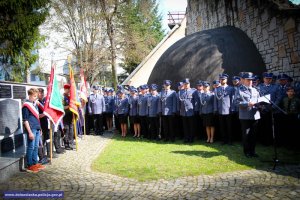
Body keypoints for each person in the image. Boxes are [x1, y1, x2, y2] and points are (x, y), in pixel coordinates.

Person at [235, 72, 260, 158]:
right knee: (246, 135)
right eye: (248, 80)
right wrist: (247, 104)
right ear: (243, 80)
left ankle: (253, 151)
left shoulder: (255, 89)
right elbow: (236, 102)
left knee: (254, 135)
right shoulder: (239, 90)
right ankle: (247, 152)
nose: (250, 82)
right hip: (245, 116)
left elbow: (258, 100)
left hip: (255, 115)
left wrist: (261, 104)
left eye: (251, 80)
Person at [22, 88, 46, 173]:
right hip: (31, 128)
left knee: (36, 147)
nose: (36, 98)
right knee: (31, 147)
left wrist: (44, 115)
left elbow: (37, 116)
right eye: (34, 96)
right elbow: (25, 120)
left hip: (37, 128)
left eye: (36, 96)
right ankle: (30, 165)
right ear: (30, 95)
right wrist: (29, 132)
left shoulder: (34, 104)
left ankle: (35, 163)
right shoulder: (26, 106)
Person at [256, 72, 279, 145]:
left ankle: (270, 141)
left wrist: (273, 106)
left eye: (270, 79)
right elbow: (257, 97)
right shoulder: (259, 86)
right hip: (262, 109)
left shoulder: (275, 86)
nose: (268, 80)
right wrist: (260, 106)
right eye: (267, 78)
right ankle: (262, 141)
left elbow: (278, 97)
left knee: (271, 126)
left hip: (272, 109)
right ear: (263, 79)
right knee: (262, 125)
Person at [214, 73, 234, 145]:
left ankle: (230, 140)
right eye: (221, 79)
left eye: (224, 79)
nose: (222, 80)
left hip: (228, 110)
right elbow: (215, 100)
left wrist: (232, 108)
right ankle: (223, 140)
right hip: (220, 110)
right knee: (222, 126)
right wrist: (215, 109)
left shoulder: (231, 88)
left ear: (226, 80)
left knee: (229, 126)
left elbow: (232, 99)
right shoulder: (217, 89)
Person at [178, 78, 196, 143]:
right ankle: (186, 138)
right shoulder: (180, 92)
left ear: (189, 84)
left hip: (190, 111)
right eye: (185, 84)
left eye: (187, 84)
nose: (186, 85)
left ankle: (191, 138)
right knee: (185, 126)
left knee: (191, 126)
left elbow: (195, 102)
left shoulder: (193, 91)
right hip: (183, 111)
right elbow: (179, 102)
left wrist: (195, 110)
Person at [62, 83, 74, 150]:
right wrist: (69, 106)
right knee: (67, 130)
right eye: (68, 89)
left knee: (71, 130)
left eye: (69, 89)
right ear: (65, 89)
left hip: (70, 115)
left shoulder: (70, 97)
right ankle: (66, 144)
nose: (69, 90)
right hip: (65, 116)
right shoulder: (63, 97)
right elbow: (62, 107)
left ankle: (71, 143)